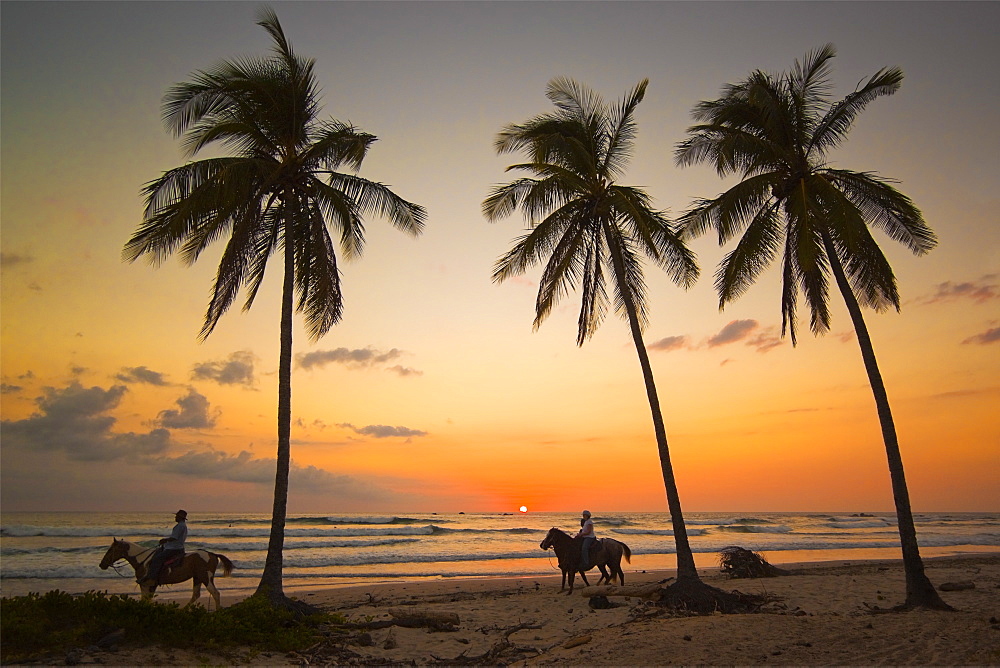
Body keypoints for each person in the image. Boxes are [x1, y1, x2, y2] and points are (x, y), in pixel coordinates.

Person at [140, 509, 187, 586]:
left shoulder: (180, 526)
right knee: (156, 554)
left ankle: (152, 579)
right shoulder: (182, 525)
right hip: (175, 547)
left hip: (174, 548)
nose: (175, 517)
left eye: (176, 516)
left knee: (157, 559)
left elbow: (174, 538)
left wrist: (165, 540)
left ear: (180, 517)